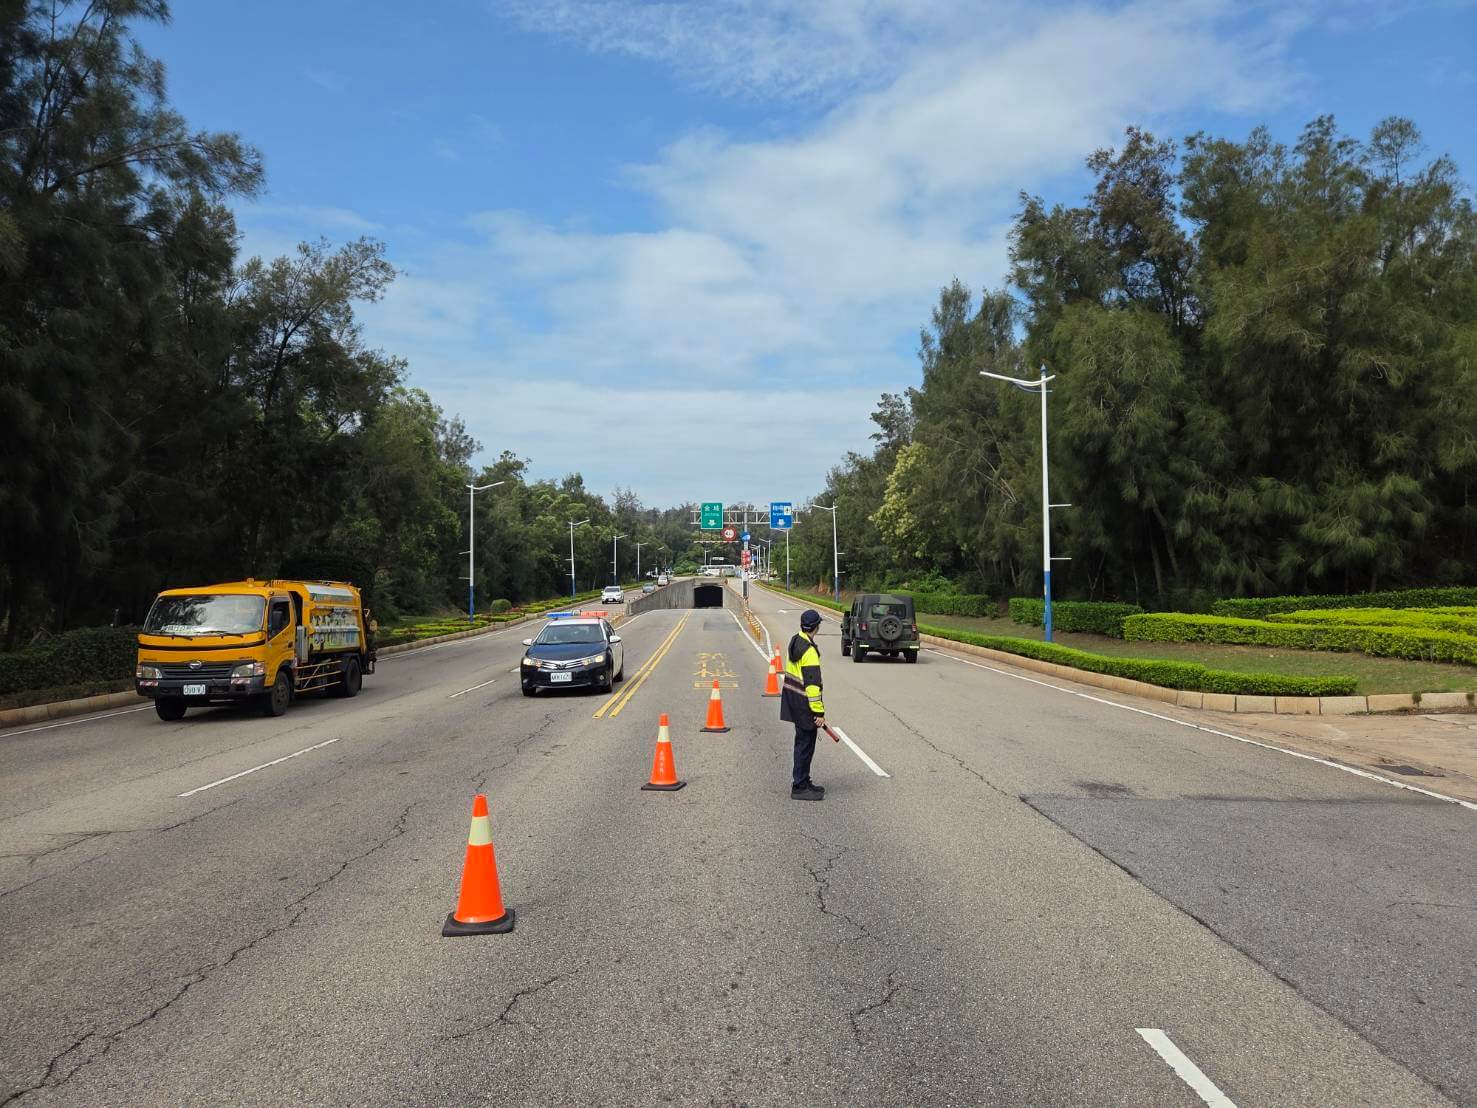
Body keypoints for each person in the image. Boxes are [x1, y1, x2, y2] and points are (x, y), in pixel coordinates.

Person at [780, 608, 827, 801]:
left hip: (794, 698)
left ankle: (803, 780)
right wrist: (819, 712)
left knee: (802, 743)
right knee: (805, 745)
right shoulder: (809, 652)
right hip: (805, 703)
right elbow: (813, 686)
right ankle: (799, 786)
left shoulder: (796, 641)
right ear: (816, 626)